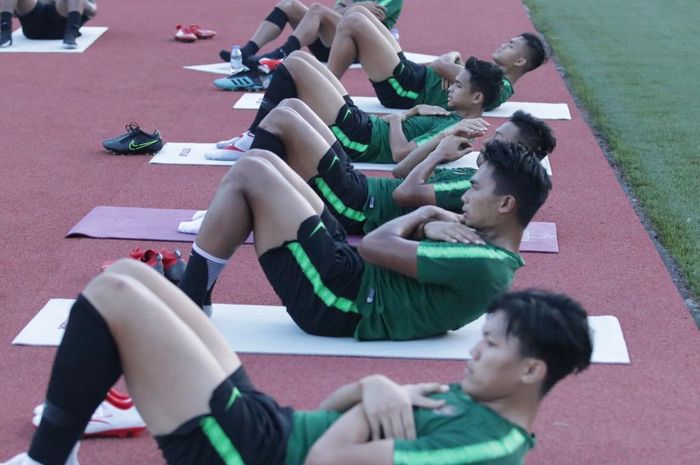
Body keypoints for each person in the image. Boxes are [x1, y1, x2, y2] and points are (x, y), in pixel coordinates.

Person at [0, 262, 593, 465]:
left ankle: (50, 456)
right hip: (270, 425)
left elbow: (326, 459)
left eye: (490, 345)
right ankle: (63, 444)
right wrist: (369, 384)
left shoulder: (482, 446)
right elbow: (337, 409)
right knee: (133, 279)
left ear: (531, 370)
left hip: (253, 453)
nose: (474, 351)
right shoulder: (479, 396)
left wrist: (375, 391)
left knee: (113, 297)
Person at [176, 139, 551, 341]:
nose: (465, 197)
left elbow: (373, 244)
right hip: (350, 276)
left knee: (250, 172)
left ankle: (192, 295)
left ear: (505, 203)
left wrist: (425, 215)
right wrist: (429, 225)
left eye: (474, 188)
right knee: (265, 161)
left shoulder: (485, 263)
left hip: (338, 301)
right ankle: (196, 283)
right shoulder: (484, 246)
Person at [247, 98, 555, 235]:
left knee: (284, 118)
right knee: (292, 108)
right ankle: (250, 195)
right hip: (359, 188)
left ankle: (246, 198)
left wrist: (436, 156)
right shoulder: (476, 175)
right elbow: (399, 172)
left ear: (515, 153)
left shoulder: (476, 186)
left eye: (498, 140)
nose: (487, 141)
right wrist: (441, 146)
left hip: (356, 205)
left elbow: (403, 194)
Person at [211, 50, 502, 164]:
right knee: (304, 61)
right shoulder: (452, 117)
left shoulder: (456, 129)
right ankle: (252, 137)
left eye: (459, 86)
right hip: (362, 127)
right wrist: (414, 112)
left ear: (477, 99)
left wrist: (399, 118)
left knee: (295, 65)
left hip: (358, 139)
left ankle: (252, 140)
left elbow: (402, 155)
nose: (450, 87)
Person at [326, 7, 546, 111]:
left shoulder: (499, 87)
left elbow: (440, 63)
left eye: (510, 46)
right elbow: (444, 64)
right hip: (413, 76)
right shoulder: (491, 74)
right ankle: (325, 84)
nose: (503, 44)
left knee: (353, 22)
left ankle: (326, 89)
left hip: (407, 89)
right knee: (361, 15)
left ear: (519, 62)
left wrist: (449, 60)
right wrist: (452, 60)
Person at [219, 0, 403, 67]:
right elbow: (338, 15)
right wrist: (356, 6)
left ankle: (281, 54)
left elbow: (365, 22)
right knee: (288, 4)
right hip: (332, 44)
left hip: (359, 51)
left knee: (317, 10)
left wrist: (351, 7)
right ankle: (246, 51)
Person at [0, 0, 97, 49]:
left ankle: (71, 34)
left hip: (62, 24)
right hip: (33, 23)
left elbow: (92, 10)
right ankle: (5, 33)